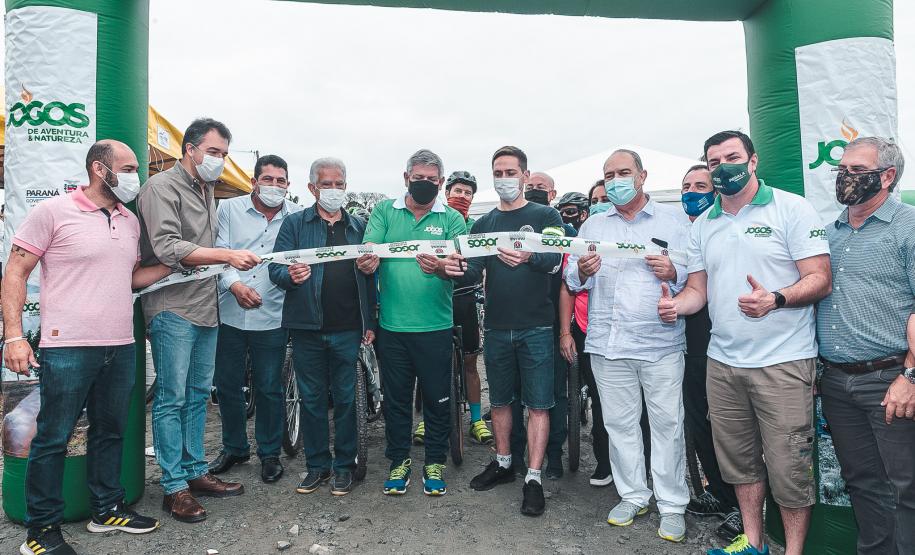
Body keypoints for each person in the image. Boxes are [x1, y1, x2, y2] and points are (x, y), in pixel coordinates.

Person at [658, 131, 832, 555]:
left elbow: (820, 278)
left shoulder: (791, 208)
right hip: (723, 362)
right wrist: (677, 306)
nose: (723, 167)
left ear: (753, 161)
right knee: (740, 462)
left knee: (789, 467)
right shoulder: (704, 225)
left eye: (732, 157)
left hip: (784, 362)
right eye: (714, 161)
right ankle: (753, 543)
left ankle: (791, 551)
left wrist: (775, 299)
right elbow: (699, 290)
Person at [7, 141, 170, 555]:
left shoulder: (128, 220)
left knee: (110, 431)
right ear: (101, 169)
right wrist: (13, 335)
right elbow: (16, 269)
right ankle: (40, 531)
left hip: (120, 344)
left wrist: (177, 262)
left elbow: (129, 278)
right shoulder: (53, 212)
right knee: (53, 438)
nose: (137, 176)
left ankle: (107, 508)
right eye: (130, 168)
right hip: (68, 348)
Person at [565, 148, 690, 543]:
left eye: (624, 172)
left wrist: (675, 270)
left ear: (642, 176)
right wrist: (582, 271)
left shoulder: (675, 221)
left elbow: (697, 274)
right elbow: (571, 279)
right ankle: (633, 495)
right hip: (608, 343)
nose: (616, 180)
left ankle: (672, 505)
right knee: (619, 424)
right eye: (609, 173)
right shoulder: (594, 226)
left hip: (660, 343)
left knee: (667, 426)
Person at [138, 118, 260, 523]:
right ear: (189, 148)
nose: (219, 160)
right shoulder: (161, 188)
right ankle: (173, 487)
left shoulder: (207, 190)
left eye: (224, 154)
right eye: (213, 152)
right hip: (173, 309)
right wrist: (227, 256)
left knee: (195, 395)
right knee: (171, 398)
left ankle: (194, 472)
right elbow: (168, 246)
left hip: (206, 307)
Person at [817, 137, 915, 555]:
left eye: (857, 170)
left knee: (907, 486)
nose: (845, 177)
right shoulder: (828, 234)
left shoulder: (909, 227)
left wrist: (910, 375)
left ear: (887, 176)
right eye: (842, 169)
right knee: (861, 483)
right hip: (837, 383)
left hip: (891, 380)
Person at [455, 146, 564, 517]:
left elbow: (554, 259)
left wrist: (530, 255)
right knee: (499, 401)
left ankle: (533, 477)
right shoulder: (483, 224)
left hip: (536, 326)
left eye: (510, 172)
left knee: (538, 404)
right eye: (498, 173)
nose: (504, 179)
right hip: (498, 327)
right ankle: (503, 463)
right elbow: (471, 272)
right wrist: (446, 268)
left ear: (524, 174)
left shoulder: (546, 214)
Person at [358, 149, 467, 496]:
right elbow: (368, 246)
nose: (424, 185)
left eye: (431, 181)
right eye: (418, 179)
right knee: (398, 400)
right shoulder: (384, 211)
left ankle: (434, 460)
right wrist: (367, 260)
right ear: (406, 178)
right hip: (393, 326)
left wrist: (442, 267)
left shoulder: (451, 218)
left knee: (437, 398)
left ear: (441, 183)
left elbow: (461, 263)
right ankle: (398, 460)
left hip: (435, 326)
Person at [269, 157, 376, 497]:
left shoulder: (360, 226)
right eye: (326, 184)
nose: (334, 190)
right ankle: (317, 466)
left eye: (339, 184)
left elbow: (373, 277)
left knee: (346, 400)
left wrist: (369, 320)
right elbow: (275, 269)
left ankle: (345, 466)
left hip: (348, 328)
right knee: (312, 400)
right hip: (306, 328)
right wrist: (290, 275)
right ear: (312, 188)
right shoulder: (296, 225)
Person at [209, 155, 303, 484]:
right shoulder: (229, 210)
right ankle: (234, 447)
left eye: (281, 181)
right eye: (268, 179)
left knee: (269, 388)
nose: (274, 186)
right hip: (230, 310)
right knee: (227, 386)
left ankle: (269, 453)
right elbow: (220, 253)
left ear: (288, 185)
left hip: (274, 314)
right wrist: (234, 285)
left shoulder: (297, 216)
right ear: (254, 182)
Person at [678, 165, 742, 539]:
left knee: (728, 430)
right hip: (685, 343)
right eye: (686, 186)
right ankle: (718, 494)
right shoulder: (680, 229)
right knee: (699, 425)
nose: (691, 191)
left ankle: (739, 505)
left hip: (721, 343)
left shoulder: (724, 228)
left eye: (700, 185)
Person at [414, 170, 493, 445]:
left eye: (468, 193)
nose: (462, 196)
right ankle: (427, 419)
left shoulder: (477, 226)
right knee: (431, 365)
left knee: (470, 362)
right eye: (458, 191)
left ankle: (475, 419)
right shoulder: (438, 220)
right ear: (447, 193)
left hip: (464, 297)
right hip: (435, 298)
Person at [510, 172, 572, 480]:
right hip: (516, 322)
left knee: (552, 394)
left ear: (553, 193)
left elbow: (566, 284)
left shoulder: (566, 229)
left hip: (549, 323)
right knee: (518, 392)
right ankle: (518, 453)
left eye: (541, 188)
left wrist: (564, 330)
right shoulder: (512, 225)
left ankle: (555, 454)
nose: (534, 191)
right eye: (530, 186)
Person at [554, 192, 613, 488]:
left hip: (623, 330)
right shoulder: (577, 244)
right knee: (601, 400)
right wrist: (566, 332)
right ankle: (604, 461)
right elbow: (568, 287)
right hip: (586, 327)